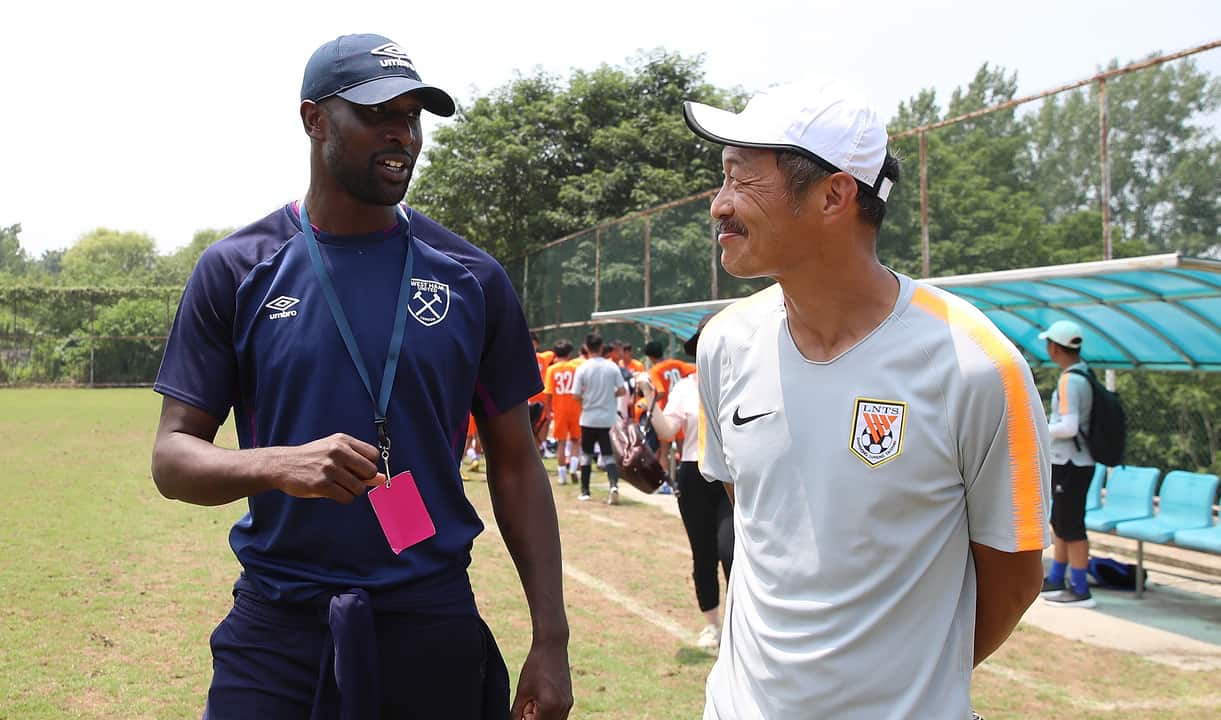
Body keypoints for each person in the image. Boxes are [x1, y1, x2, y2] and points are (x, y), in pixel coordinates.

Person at [150, 34, 571, 720]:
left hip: (428, 615)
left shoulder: (471, 278)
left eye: (412, 117)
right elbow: (172, 459)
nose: (400, 135)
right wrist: (277, 465)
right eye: (378, 114)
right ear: (314, 120)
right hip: (278, 622)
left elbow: (518, 463)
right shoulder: (236, 268)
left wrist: (550, 640)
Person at [683, 79, 1051, 718]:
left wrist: (906, 684)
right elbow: (757, 521)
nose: (719, 205)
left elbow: (1014, 577)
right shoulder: (724, 343)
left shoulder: (974, 365)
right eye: (723, 180)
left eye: (743, 181)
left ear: (833, 195)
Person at [641, 317, 733, 650]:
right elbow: (667, 432)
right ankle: (712, 625)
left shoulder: (743, 379)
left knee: (731, 550)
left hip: (732, 476)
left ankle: (742, 626)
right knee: (703, 553)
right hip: (695, 473)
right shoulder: (685, 387)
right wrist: (650, 399)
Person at [1038, 319, 1098, 608]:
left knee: (1072, 526)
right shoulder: (1082, 374)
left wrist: (1038, 427)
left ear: (1055, 347)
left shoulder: (1069, 380)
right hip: (1071, 461)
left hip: (1071, 462)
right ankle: (1057, 578)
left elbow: (1070, 426)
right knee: (1060, 521)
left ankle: (1079, 588)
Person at [571, 333, 626, 503]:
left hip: (588, 418)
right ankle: (613, 485)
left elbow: (575, 395)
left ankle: (585, 491)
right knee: (608, 455)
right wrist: (610, 395)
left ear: (586, 348)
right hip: (608, 419)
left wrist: (587, 399)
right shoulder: (612, 367)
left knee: (586, 455)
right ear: (602, 348)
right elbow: (622, 390)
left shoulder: (583, 368)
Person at [643, 340, 696, 474]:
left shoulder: (655, 370)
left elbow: (660, 392)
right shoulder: (676, 363)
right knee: (683, 450)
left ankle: (665, 481)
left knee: (664, 451)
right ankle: (684, 475)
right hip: (683, 410)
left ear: (650, 357)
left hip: (667, 414)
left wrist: (648, 402)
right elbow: (694, 371)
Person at [543, 340, 579, 485]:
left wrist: (548, 410)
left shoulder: (552, 369)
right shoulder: (576, 367)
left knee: (561, 443)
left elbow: (548, 392)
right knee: (576, 441)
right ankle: (574, 468)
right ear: (569, 354)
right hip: (576, 408)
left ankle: (562, 475)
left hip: (559, 410)